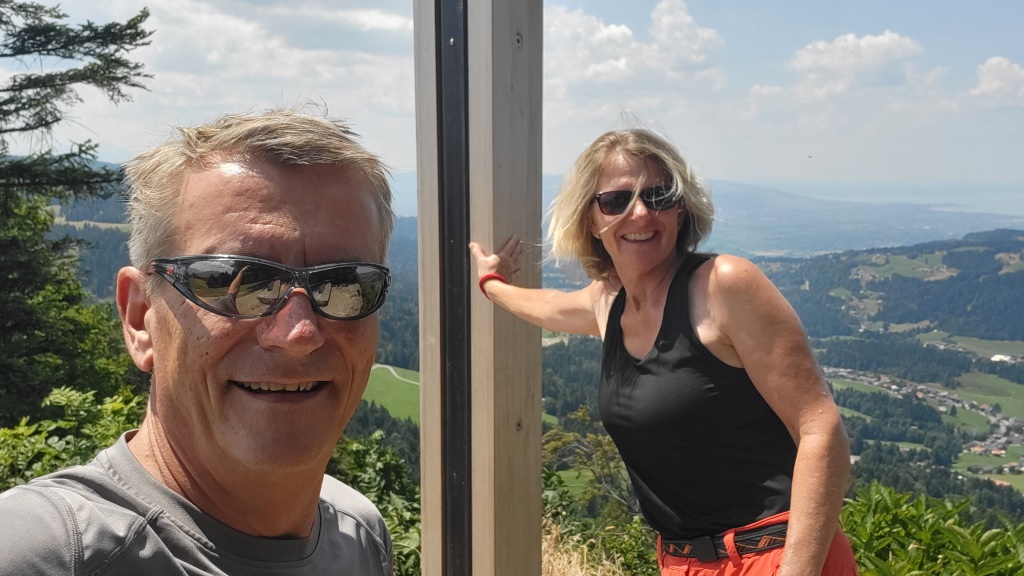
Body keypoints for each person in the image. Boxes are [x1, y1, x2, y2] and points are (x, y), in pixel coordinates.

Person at [0, 109, 396, 575]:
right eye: (233, 280)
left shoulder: (360, 535)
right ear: (141, 317)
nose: (299, 334)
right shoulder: (44, 554)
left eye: (346, 282)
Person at [469, 128, 857, 576]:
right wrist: (492, 284)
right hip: (682, 564)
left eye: (658, 196)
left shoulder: (723, 286)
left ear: (680, 208)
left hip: (777, 556)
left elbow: (821, 427)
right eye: (616, 201)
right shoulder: (607, 302)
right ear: (591, 219)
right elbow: (545, 306)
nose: (640, 213)